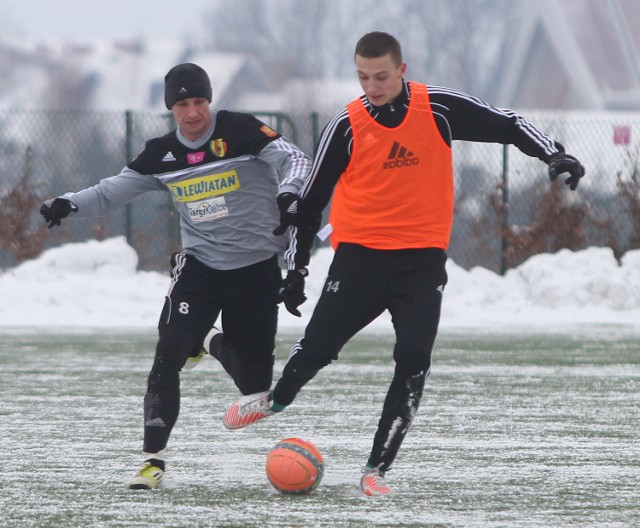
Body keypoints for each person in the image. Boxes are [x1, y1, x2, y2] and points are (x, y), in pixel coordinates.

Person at [220, 32, 586, 496]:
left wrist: (554, 152)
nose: (372, 86)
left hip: (421, 262)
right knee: (316, 351)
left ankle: (376, 471)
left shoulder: (437, 109)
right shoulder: (347, 125)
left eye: (381, 77)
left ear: (401, 71)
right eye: (363, 77)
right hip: (359, 260)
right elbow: (310, 204)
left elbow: (507, 123)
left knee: (413, 360)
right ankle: (275, 400)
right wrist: (295, 271)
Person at [39, 63, 316, 490]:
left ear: (209, 101)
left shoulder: (241, 132)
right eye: (182, 104)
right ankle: (152, 461)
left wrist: (289, 191)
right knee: (168, 350)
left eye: (199, 102)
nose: (192, 112)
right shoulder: (161, 155)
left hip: (257, 269)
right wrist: (68, 203)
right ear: (171, 108)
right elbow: (113, 189)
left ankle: (206, 340)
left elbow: (297, 159)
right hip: (201, 266)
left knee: (255, 391)